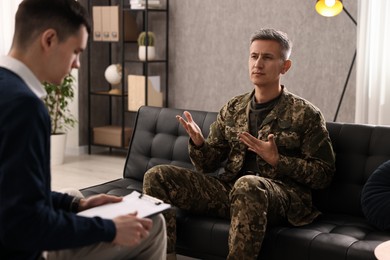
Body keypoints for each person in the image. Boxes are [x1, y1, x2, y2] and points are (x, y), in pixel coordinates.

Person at [143, 28, 336, 259]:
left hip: (283, 198)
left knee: (248, 185)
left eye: (267, 57)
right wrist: (199, 144)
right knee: (156, 176)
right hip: (231, 190)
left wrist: (278, 160)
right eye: (254, 56)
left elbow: (324, 174)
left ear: (285, 66)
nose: (258, 64)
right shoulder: (233, 107)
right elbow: (207, 165)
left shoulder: (307, 114)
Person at [0, 0, 166, 259]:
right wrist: (109, 229)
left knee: (74, 194)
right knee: (154, 225)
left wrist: (76, 204)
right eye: (76, 52)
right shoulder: (25, 107)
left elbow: (11, 193)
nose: (77, 64)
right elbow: (23, 225)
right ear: (49, 40)